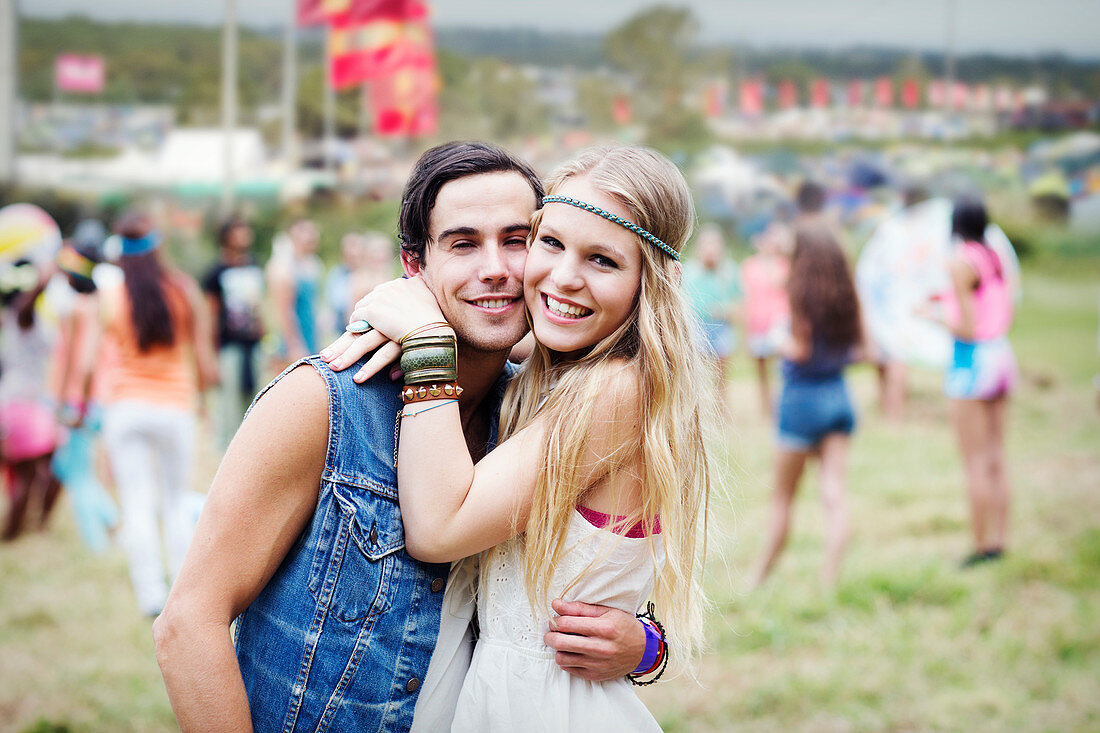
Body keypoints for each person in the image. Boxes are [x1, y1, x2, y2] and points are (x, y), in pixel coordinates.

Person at [154, 142, 654, 733]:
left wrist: (645, 645)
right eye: (463, 243)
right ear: (414, 267)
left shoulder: (535, 412)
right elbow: (189, 625)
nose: (494, 268)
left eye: (517, 240)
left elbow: (570, 586)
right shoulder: (324, 403)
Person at [333, 145, 712, 729]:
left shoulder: (614, 390)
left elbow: (438, 530)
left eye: (603, 261)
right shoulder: (562, 366)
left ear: (652, 282)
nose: (563, 277)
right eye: (550, 243)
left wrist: (427, 342)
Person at [93, 212, 218, 616]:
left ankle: (150, 593)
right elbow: (203, 360)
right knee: (175, 499)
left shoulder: (112, 295)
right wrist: (203, 401)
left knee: (136, 501)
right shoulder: (181, 290)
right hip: (174, 406)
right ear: (158, 246)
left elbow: (100, 356)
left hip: (126, 406)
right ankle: (179, 586)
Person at [751, 224, 863, 588]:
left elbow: (799, 349)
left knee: (783, 497)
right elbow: (863, 347)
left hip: (802, 400)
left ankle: (757, 579)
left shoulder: (800, 292)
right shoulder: (846, 292)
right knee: (833, 491)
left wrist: (777, 338)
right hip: (839, 395)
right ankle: (829, 578)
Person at [935, 198, 1016, 566]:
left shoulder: (958, 262)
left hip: (971, 363)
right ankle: (999, 541)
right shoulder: (993, 256)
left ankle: (980, 547)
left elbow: (966, 328)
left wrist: (931, 315)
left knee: (974, 461)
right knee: (996, 455)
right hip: (1001, 355)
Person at [0, 259, 62, 541]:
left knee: (32, 473)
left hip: (23, 405)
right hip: (21, 406)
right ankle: (12, 534)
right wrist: (45, 277)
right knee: (26, 476)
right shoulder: (23, 317)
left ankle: (21, 529)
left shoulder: (16, 320)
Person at [201, 216, 266, 451]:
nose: (245, 235)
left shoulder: (255, 265)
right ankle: (226, 453)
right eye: (239, 229)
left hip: (254, 346)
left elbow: (260, 306)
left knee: (255, 403)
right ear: (226, 236)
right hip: (229, 347)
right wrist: (210, 356)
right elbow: (210, 316)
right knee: (229, 406)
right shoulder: (215, 272)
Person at [683, 223, 742, 416]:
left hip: (722, 327)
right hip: (697, 327)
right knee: (694, 373)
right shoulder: (689, 272)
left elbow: (740, 304)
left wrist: (724, 310)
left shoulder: (729, 272)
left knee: (721, 373)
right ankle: (694, 409)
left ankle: (721, 411)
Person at [741, 220, 792, 418]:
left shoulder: (783, 264)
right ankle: (765, 408)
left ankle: (780, 406)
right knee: (761, 369)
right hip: (757, 321)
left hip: (779, 321)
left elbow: (780, 284)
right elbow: (746, 297)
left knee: (781, 368)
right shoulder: (749, 266)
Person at [268, 218, 323, 364]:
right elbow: (284, 311)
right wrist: (294, 346)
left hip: (310, 336)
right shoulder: (283, 268)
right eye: (307, 231)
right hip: (291, 341)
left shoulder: (313, 264)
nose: (313, 236)